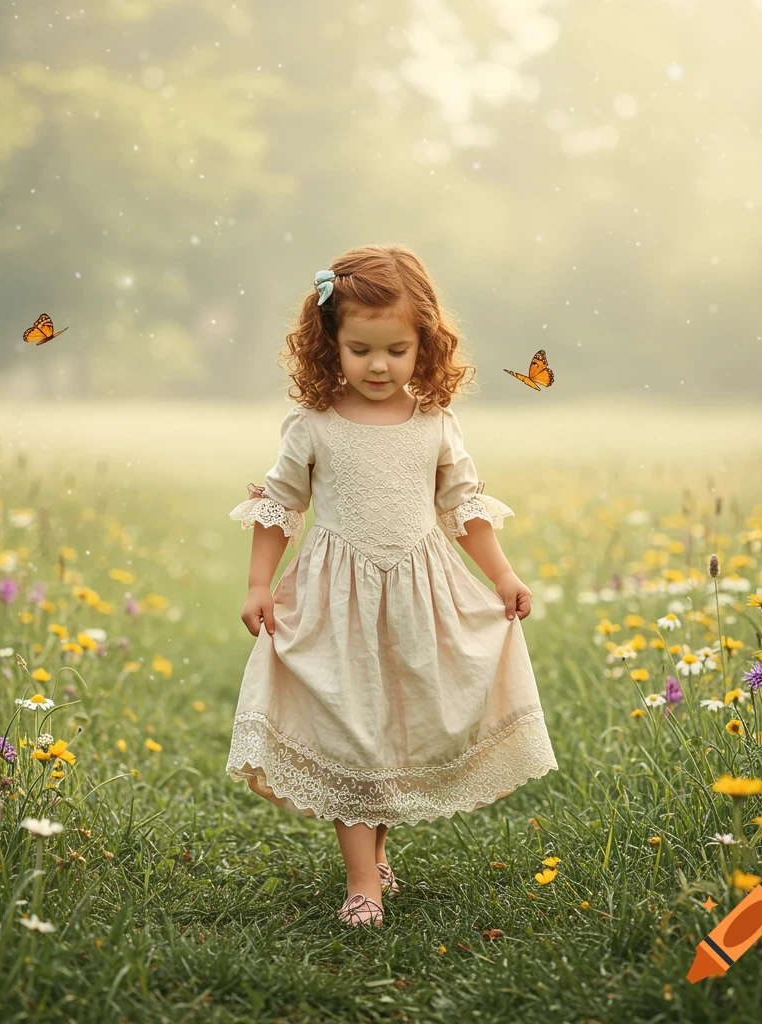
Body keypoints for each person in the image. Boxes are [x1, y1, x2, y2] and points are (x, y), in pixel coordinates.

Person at [225, 244, 559, 928]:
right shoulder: (313, 426)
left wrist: (503, 574)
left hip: (417, 597)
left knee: (394, 727)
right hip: (334, 597)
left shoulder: (435, 423)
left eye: (396, 350)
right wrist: (260, 583)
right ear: (330, 346)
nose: (379, 365)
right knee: (352, 729)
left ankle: (375, 855)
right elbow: (280, 507)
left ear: (423, 346)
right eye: (360, 349)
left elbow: (463, 507)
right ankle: (361, 885)